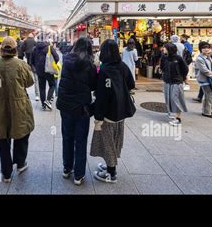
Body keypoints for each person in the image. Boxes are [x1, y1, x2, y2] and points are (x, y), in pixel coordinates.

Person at [0, 37, 34, 183]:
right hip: (19, 104)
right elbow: (30, 82)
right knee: (21, 134)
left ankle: (6, 173)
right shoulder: (21, 64)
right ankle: (20, 164)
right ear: (15, 49)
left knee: (3, 138)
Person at [91, 39, 136, 183]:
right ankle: (110, 165)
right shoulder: (122, 66)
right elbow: (131, 84)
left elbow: (102, 96)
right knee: (115, 140)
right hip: (121, 110)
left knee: (108, 142)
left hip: (108, 113)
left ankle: (111, 173)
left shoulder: (105, 70)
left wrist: (98, 116)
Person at [56, 38, 97, 186]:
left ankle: (67, 169)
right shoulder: (90, 65)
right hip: (81, 108)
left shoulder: (67, 60)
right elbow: (93, 85)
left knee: (67, 137)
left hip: (66, 106)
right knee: (80, 141)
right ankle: (79, 175)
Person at [160, 43, 189, 126]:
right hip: (167, 81)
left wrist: (182, 77)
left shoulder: (178, 58)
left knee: (175, 99)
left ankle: (178, 118)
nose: (163, 49)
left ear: (169, 49)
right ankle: (171, 114)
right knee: (168, 98)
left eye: (164, 48)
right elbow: (162, 67)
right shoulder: (164, 57)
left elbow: (185, 69)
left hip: (177, 81)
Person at [32, 36, 59, 111]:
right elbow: (57, 58)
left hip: (39, 71)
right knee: (52, 84)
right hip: (49, 71)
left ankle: (43, 104)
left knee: (42, 87)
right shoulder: (49, 47)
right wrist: (52, 64)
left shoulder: (35, 49)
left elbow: (32, 61)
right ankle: (48, 100)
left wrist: (36, 68)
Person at [194, 41, 212, 119]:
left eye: (207, 47)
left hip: (211, 79)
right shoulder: (199, 58)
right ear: (200, 49)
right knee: (208, 95)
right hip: (204, 80)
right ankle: (206, 112)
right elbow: (204, 70)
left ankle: (208, 109)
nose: (206, 49)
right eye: (204, 48)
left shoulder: (208, 57)